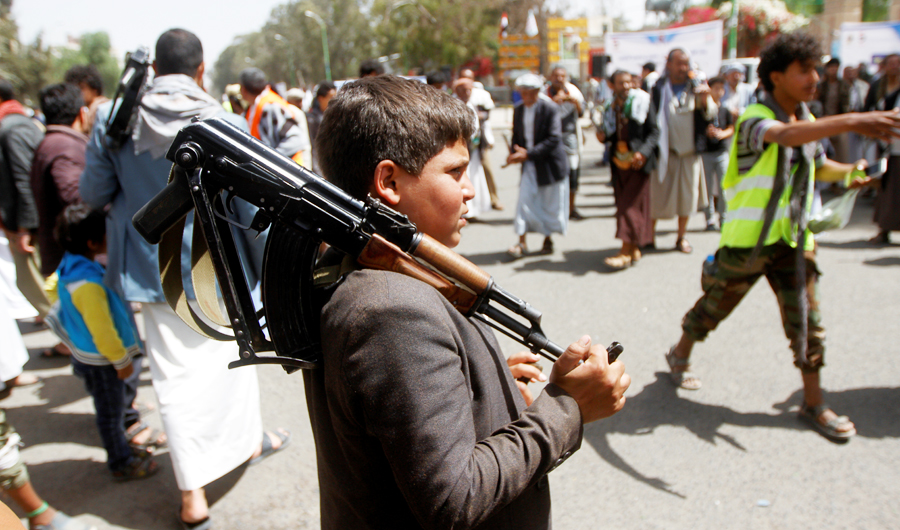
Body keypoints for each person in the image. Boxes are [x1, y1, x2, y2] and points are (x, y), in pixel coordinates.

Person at [310, 73, 630, 530]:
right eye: (455, 172)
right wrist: (566, 407)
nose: (470, 190)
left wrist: (489, 391)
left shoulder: (377, 273)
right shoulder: (391, 310)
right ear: (389, 181)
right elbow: (454, 499)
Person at [79, 29, 289, 529]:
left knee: (173, 380)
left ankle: (194, 493)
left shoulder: (116, 120)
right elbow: (248, 206)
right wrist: (266, 274)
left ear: (153, 68)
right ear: (200, 69)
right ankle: (241, 447)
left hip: (153, 271)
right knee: (232, 364)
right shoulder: (223, 119)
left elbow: (92, 191)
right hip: (219, 270)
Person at [665, 32, 900, 442]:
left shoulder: (806, 118)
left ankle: (813, 403)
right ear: (776, 76)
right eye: (804, 71)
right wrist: (857, 120)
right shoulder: (755, 118)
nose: (814, 78)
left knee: (807, 323)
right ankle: (680, 353)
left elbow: (818, 163)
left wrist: (848, 172)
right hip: (747, 245)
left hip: (794, 242)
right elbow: (786, 139)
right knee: (714, 308)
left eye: (815, 69)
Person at [46, 205, 159, 480]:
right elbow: (103, 332)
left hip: (86, 355)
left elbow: (51, 288)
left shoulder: (70, 266)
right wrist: (121, 362)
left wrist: (74, 319)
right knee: (110, 415)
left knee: (109, 409)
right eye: (106, 234)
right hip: (104, 361)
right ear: (92, 243)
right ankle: (121, 462)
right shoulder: (89, 285)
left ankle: (122, 451)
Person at [650, 48, 715, 253]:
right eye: (678, 63)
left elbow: (710, 113)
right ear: (668, 64)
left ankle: (681, 238)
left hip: (689, 153)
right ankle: (649, 237)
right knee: (657, 197)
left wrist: (704, 98)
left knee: (687, 199)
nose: (683, 68)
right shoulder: (659, 87)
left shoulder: (696, 86)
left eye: (686, 63)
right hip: (664, 153)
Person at [596, 70, 659, 269]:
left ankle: (624, 251)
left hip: (638, 163)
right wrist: (603, 137)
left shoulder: (643, 101)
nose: (626, 87)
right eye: (621, 83)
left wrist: (643, 153)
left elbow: (654, 132)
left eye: (628, 82)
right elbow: (609, 133)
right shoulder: (609, 106)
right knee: (625, 204)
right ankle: (633, 247)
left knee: (629, 206)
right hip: (619, 162)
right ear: (611, 85)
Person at [0, 79, 51, 322]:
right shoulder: (20, 122)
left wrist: (24, 228)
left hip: (29, 225)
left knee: (34, 284)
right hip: (31, 221)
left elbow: (24, 180)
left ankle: (73, 339)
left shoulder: (11, 128)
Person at [506, 73, 570, 258]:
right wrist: (514, 153)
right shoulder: (518, 109)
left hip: (549, 165)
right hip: (529, 165)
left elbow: (554, 138)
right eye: (522, 93)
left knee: (550, 203)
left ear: (536, 92)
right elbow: (516, 137)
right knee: (524, 202)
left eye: (529, 93)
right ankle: (521, 242)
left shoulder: (549, 108)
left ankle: (547, 240)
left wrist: (529, 154)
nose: (526, 97)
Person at [30, 83, 87, 277]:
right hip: (74, 264)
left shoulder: (52, 143)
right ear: (81, 113)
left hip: (64, 260)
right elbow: (75, 197)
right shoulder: (65, 148)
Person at [863, 53, 900, 245]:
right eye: (891, 64)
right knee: (886, 186)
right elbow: (867, 108)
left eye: (898, 64)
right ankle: (884, 229)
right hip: (884, 143)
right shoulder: (878, 86)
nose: (894, 67)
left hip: (897, 142)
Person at [239, 67, 310, 165]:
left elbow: (294, 140)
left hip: (286, 170)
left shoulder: (271, 106)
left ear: (243, 89)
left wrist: (270, 160)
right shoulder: (253, 107)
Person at [460, 68, 503, 210]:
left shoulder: (480, 94)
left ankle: (494, 198)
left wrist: (478, 116)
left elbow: (487, 114)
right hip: (464, 142)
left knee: (486, 168)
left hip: (480, 140)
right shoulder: (456, 97)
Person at [547, 67, 586, 220]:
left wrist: (574, 102)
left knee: (573, 174)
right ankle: (554, 209)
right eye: (556, 76)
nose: (559, 79)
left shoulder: (574, 91)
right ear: (551, 77)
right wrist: (553, 102)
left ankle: (571, 208)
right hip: (551, 140)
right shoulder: (545, 94)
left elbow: (581, 113)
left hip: (570, 139)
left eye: (562, 76)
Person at [697, 76, 735, 231]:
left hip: (721, 152)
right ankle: (709, 219)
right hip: (706, 152)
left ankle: (724, 218)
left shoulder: (725, 109)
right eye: (716, 88)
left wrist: (722, 134)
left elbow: (731, 128)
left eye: (722, 88)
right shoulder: (702, 109)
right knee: (707, 188)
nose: (719, 91)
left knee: (723, 187)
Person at [452, 77, 491, 219]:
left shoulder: (472, 105)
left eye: (469, 89)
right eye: (463, 90)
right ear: (457, 91)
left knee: (475, 177)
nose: (467, 92)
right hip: (460, 150)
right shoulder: (453, 105)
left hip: (474, 149)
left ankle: (472, 211)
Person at [816, 57, 852, 162]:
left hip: (840, 122)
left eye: (835, 67)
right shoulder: (821, 85)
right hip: (824, 122)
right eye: (831, 67)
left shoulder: (844, 85)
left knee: (841, 154)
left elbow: (847, 104)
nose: (833, 70)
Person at [64, 65, 108, 136]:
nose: (77, 92)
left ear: (94, 89)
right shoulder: (89, 108)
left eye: (81, 88)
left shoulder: (98, 108)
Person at [306, 81, 336, 175]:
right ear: (320, 98)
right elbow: (313, 147)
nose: (334, 101)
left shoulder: (334, 116)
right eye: (331, 98)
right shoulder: (312, 119)